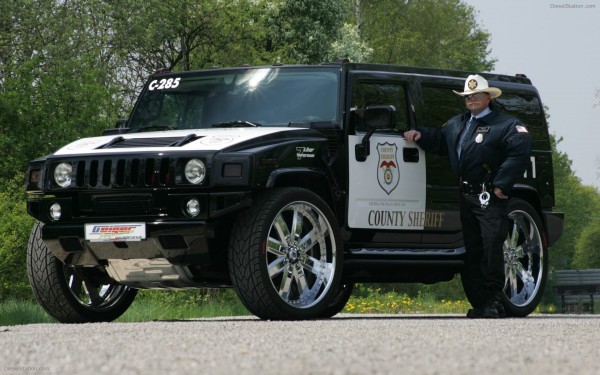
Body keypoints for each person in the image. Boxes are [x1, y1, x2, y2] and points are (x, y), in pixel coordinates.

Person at [404, 74, 532, 318]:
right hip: (466, 196)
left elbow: (519, 154)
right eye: (467, 96)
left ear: (488, 97)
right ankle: (482, 302)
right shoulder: (456, 124)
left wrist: (501, 185)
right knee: (473, 250)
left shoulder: (505, 124)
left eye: (476, 95)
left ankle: (495, 300)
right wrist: (420, 135)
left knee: (491, 247)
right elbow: (442, 141)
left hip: (490, 196)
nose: (471, 99)